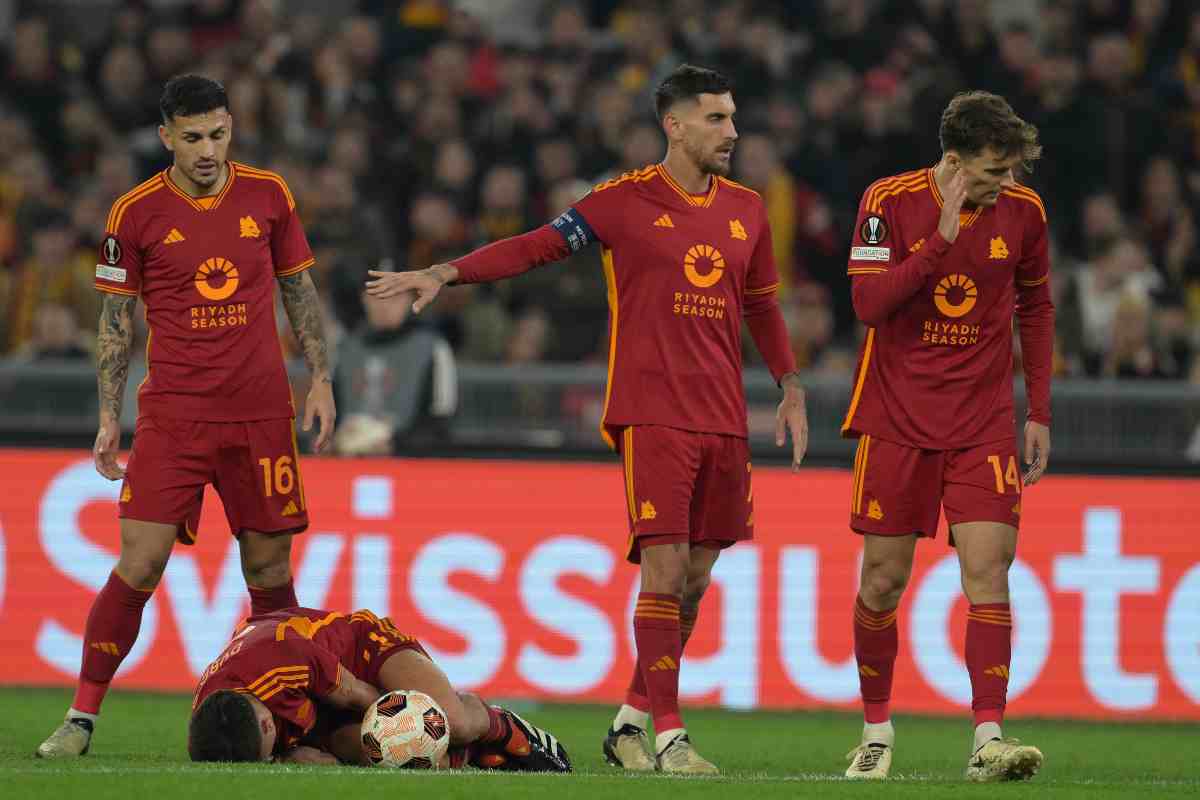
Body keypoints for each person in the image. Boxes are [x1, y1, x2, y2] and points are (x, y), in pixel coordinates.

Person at [366, 64, 809, 775]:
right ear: (675, 124)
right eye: (717, 119)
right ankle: (670, 737)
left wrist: (789, 384)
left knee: (693, 580)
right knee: (663, 570)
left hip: (725, 416)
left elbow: (761, 304)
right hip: (652, 411)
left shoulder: (748, 209)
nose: (732, 131)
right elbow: (535, 245)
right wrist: (447, 272)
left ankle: (630, 723)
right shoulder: (621, 201)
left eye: (732, 117)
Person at [36, 75, 336, 758]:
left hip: (261, 414)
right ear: (167, 136)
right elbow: (115, 324)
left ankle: (281, 720)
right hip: (174, 416)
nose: (208, 149)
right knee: (139, 562)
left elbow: (300, 292)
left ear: (232, 127)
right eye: (194, 137)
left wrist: (321, 378)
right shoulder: (134, 212)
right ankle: (80, 719)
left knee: (268, 574)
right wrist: (109, 416)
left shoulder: (269, 195)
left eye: (219, 133)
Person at [840, 90, 1053, 781]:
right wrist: (943, 238)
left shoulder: (1024, 213)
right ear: (954, 161)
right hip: (896, 417)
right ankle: (876, 732)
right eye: (993, 171)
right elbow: (869, 305)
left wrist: (1039, 410)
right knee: (882, 583)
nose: (1004, 184)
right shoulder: (888, 200)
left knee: (990, 572)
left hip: (982, 423)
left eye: (1011, 170)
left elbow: (1037, 306)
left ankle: (988, 738)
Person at [188, 606, 570, 771]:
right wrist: (289, 756)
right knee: (414, 761)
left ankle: (500, 726)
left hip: (360, 654)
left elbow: (365, 697)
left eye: (267, 755)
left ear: (268, 725)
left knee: (447, 722)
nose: (269, 761)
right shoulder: (210, 724)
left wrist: (405, 733)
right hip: (318, 708)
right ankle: (472, 758)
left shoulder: (281, 659)